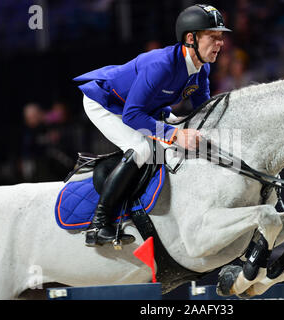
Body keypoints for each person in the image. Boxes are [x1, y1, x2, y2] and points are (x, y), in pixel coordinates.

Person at [73, 4, 232, 247]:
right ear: (191, 38)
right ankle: (98, 224)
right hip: (105, 103)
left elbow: (204, 113)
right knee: (143, 150)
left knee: (173, 140)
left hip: (145, 108)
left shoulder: (202, 68)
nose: (220, 43)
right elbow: (132, 115)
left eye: (221, 37)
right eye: (213, 36)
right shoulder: (161, 66)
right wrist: (175, 135)